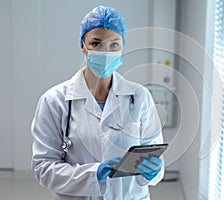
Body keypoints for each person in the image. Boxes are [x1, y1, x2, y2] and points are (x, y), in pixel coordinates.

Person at [31, 5, 164, 200]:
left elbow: (154, 156)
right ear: (83, 46)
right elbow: (44, 167)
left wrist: (154, 171)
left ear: (123, 47)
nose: (105, 51)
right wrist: (95, 174)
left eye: (114, 44)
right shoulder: (54, 101)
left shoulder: (140, 97)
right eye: (96, 43)